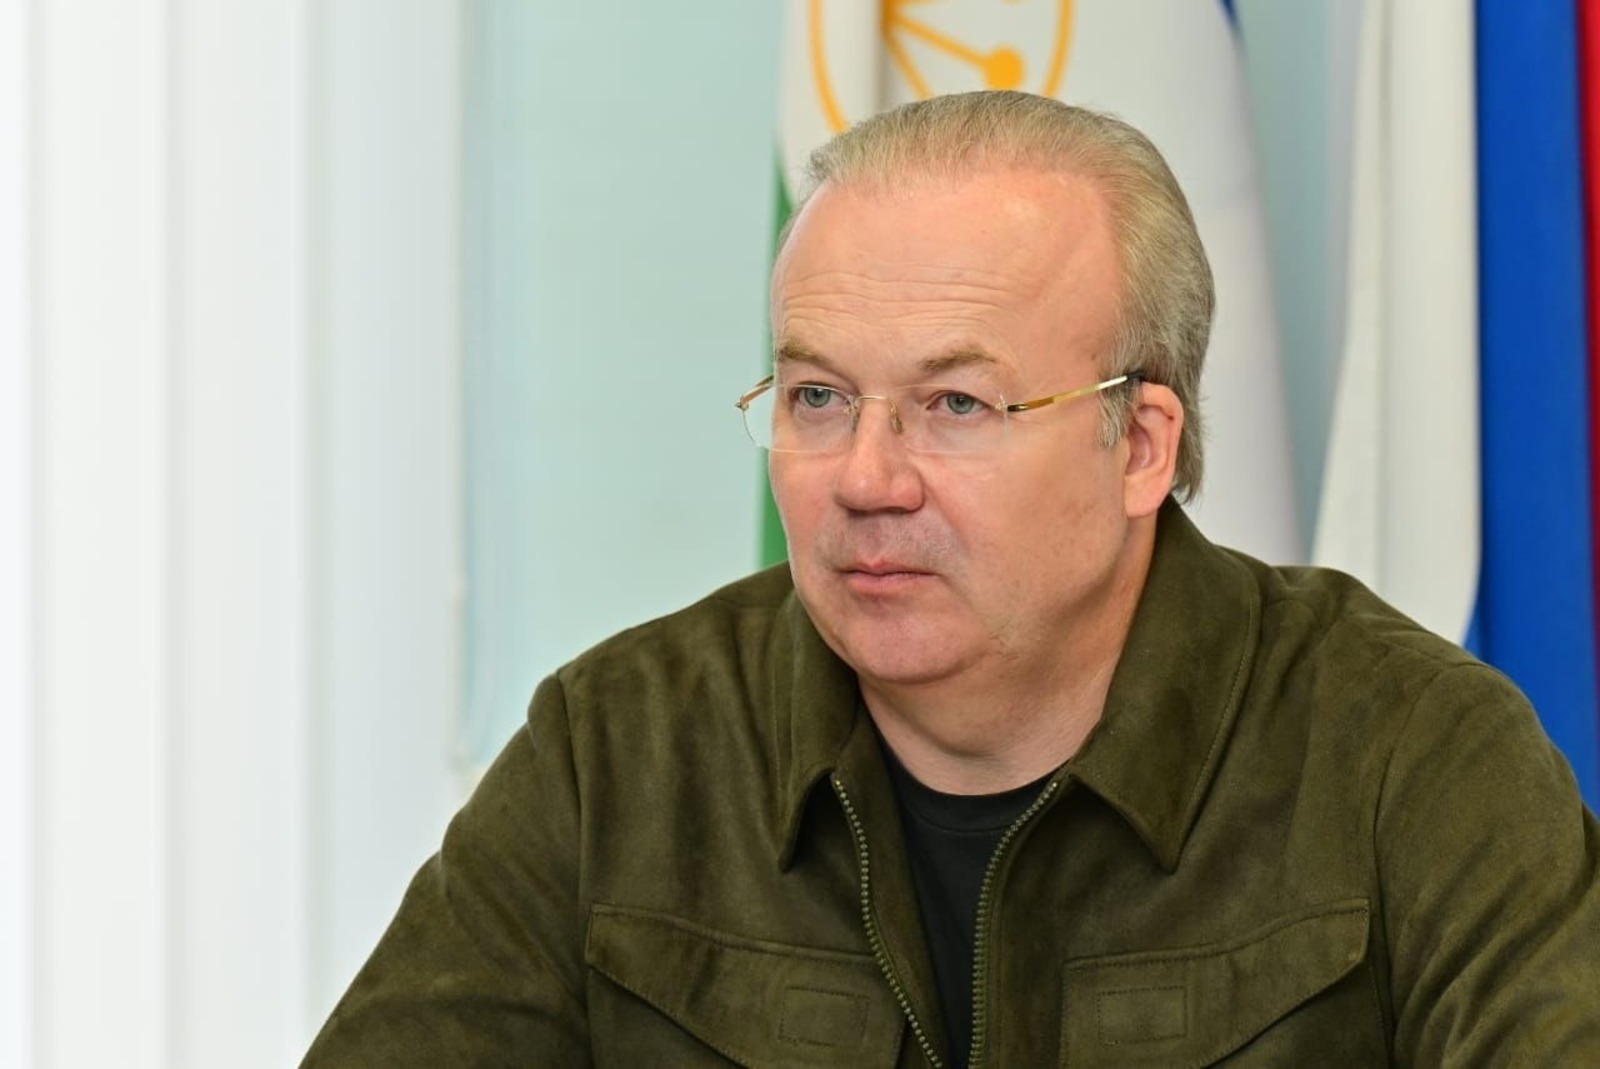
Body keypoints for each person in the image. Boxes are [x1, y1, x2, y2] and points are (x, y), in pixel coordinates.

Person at [304, 91, 1600, 1067]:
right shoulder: (621, 751)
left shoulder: (1409, 756)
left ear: (1141, 445)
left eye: (957, 404)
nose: (867, 477)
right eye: (818, 396)